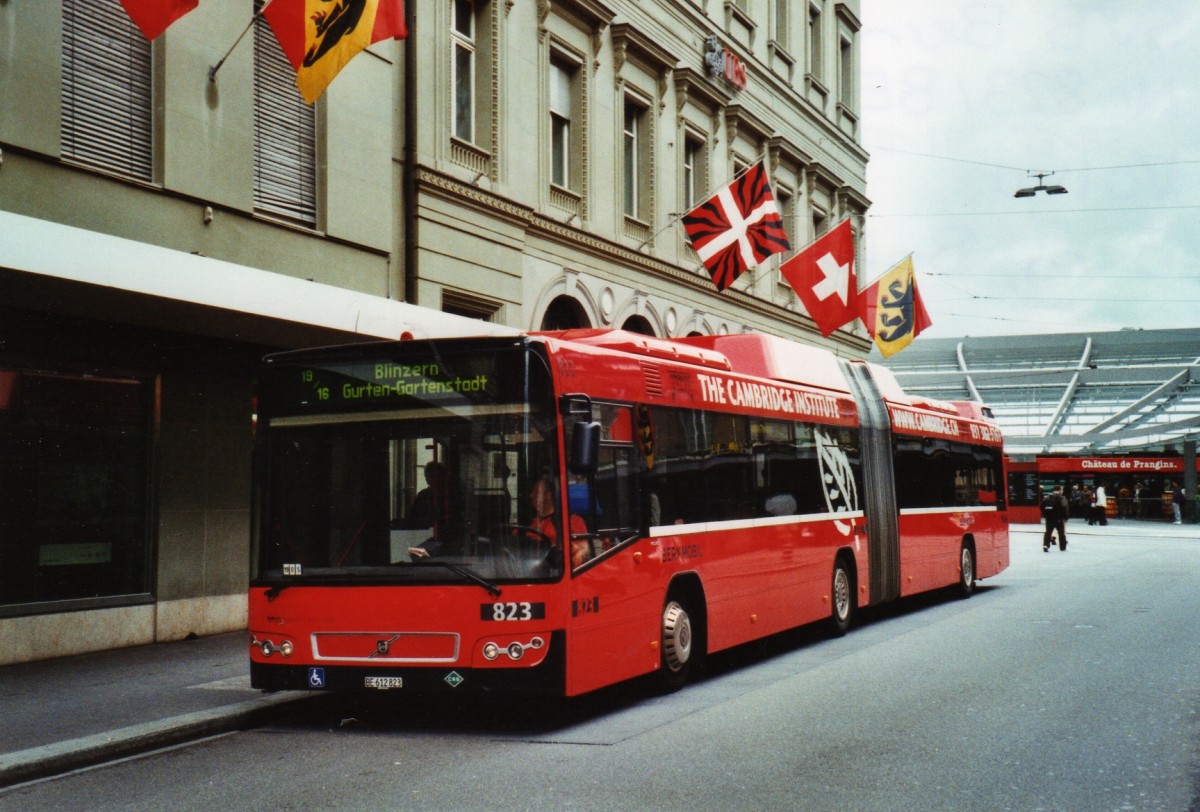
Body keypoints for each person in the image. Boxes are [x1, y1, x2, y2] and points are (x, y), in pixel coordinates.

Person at [528, 474, 591, 568]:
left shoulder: (572, 521)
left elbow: (582, 552)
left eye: (536, 492)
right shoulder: (527, 524)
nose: (531, 495)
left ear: (548, 495)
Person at [407, 461, 449, 559]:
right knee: (411, 551)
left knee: (414, 553)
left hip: (446, 541)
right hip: (427, 537)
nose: (431, 479)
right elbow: (412, 517)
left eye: (435, 476)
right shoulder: (423, 495)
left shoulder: (451, 496)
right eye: (429, 476)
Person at [1041, 485, 1069, 552]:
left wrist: (1046, 515)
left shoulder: (1047, 497)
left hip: (1049, 518)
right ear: (1059, 490)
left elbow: (1042, 507)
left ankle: (1046, 545)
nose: (1062, 491)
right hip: (1059, 518)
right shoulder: (1062, 498)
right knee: (1061, 533)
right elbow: (1065, 508)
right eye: (1061, 490)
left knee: (1048, 532)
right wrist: (1066, 517)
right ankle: (1063, 547)